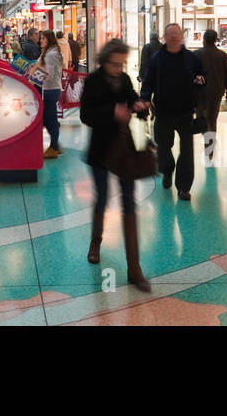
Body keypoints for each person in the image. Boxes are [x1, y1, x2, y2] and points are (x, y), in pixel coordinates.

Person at [80, 37, 150, 291]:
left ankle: (134, 267)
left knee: (129, 201)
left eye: (123, 64)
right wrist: (112, 113)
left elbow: (132, 101)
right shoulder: (93, 82)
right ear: (105, 61)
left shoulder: (125, 80)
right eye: (115, 64)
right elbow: (85, 115)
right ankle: (95, 242)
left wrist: (140, 107)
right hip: (101, 149)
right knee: (102, 198)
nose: (120, 68)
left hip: (124, 149)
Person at [141, 24, 205, 200]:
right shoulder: (157, 58)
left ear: (182, 37)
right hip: (163, 111)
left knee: (187, 151)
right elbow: (148, 81)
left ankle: (184, 187)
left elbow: (202, 73)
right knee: (163, 147)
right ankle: (167, 170)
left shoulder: (191, 58)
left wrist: (202, 78)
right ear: (164, 37)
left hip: (185, 111)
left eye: (177, 34)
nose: (174, 37)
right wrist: (145, 98)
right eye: (171, 34)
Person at [195, 29, 227, 157]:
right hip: (216, 92)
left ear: (204, 40)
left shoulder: (197, 54)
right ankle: (210, 148)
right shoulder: (223, 56)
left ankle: (207, 144)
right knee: (212, 120)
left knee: (202, 120)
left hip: (200, 93)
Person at [34, 30, 64, 159]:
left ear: (49, 40)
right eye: (41, 38)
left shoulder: (50, 54)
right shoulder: (50, 52)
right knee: (49, 119)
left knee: (50, 120)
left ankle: (53, 147)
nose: (41, 40)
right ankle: (55, 144)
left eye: (43, 38)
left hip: (51, 90)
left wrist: (34, 77)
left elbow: (49, 74)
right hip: (51, 89)